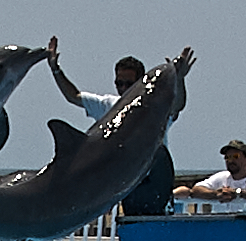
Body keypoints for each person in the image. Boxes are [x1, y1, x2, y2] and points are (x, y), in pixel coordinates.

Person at [47, 36, 176, 215]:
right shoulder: (108, 105)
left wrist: (180, 79)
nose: (122, 88)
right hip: (129, 183)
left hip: (153, 179)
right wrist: (55, 69)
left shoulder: (155, 107)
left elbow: (178, 106)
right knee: (132, 225)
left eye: (128, 84)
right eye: (119, 83)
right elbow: (73, 96)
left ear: (141, 82)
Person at [176, 140, 246, 213]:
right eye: (227, 157)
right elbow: (196, 189)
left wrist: (236, 193)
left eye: (235, 156)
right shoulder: (221, 177)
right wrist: (216, 194)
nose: (230, 161)